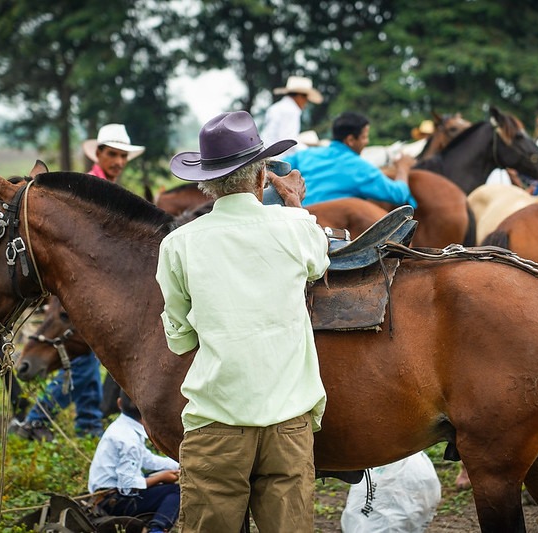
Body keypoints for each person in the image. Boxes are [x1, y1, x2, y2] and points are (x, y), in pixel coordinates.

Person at [156, 110, 329, 531]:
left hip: (217, 422)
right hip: (288, 421)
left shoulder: (178, 245)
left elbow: (180, 338)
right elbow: (317, 265)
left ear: (208, 184)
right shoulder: (297, 228)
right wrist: (295, 205)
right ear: (261, 177)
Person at [9, 124, 145, 441]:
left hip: (98, 285)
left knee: (85, 356)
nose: (119, 161)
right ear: (98, 154)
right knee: (82, 355)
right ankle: (44, 420)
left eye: (123, 156)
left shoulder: (109, 188)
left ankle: (84, 423)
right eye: (112, 154)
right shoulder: (90, 189)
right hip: (81, 284)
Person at [283, 111, 417, 208]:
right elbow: (398, 195)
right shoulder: (361, 168)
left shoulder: (304, 155)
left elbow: (277, 167)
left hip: (297, 222)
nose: (367, 141)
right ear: (351, 140)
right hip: (329, 234)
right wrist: (403, 168)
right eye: (364, 137)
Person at [88, 392, 180, 533]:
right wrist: (161, 477)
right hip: (113, 500)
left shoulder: (122, 427)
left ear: (119, 403)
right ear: (148, 409)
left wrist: (180, 464)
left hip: (107, 494)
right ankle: (157, 529)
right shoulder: (129, 440)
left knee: (158, 479)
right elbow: (127, 485)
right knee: (177, 492)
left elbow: (147, 459)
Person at [259, 75, 323, 155]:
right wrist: (308, 152)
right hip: (277, 158)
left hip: (264, 154)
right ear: (299, 96)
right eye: (306, 98)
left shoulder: (276, 107)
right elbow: (288, 142)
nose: (306, 102)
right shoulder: (291, 111)